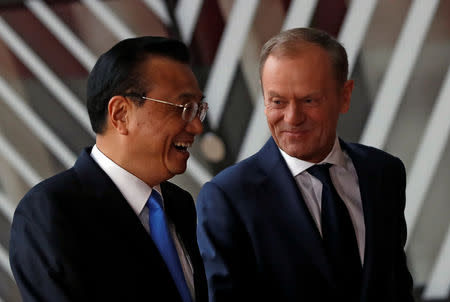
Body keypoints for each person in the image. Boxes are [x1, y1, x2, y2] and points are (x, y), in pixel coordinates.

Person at [196, 27, 415, 302]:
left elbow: (396, 285)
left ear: (345, 96)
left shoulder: (383, 173)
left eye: (309, 100)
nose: (292, 117)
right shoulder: (227, 197)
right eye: (277, 101)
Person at [10, 36, 208, 302]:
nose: (196, 127)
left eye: (198, 109)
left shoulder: (179, 204)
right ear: (120, 114)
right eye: (184, 109)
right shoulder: (50, 213)